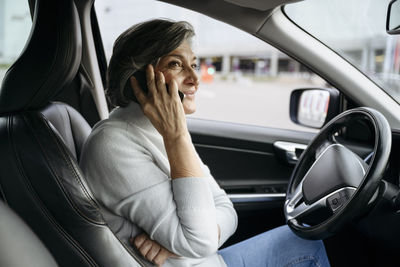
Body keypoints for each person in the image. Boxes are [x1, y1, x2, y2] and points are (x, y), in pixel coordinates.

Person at [79, 19, 330, 267]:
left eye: (194, 65)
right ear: (139, 78)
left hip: (211, 261)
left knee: (306, 241)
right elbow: (201, 241)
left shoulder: (160, 131)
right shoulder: (113, 145)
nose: (194, 78)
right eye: (176, 64)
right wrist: (177, 138)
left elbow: (225, 208)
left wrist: (181, 246)